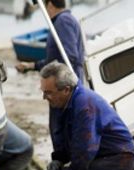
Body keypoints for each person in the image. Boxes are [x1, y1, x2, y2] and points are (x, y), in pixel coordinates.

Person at [15, 0, 85, 161]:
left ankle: (64, 162)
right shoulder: (61, 22)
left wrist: (60, 82)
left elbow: (69, 57)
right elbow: (55, 58)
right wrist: (32, 66)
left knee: (62, 125)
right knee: (59, 126)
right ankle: (62, 160)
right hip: (62, 83)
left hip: (64, 87)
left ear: (50, 5)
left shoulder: (63, 21)